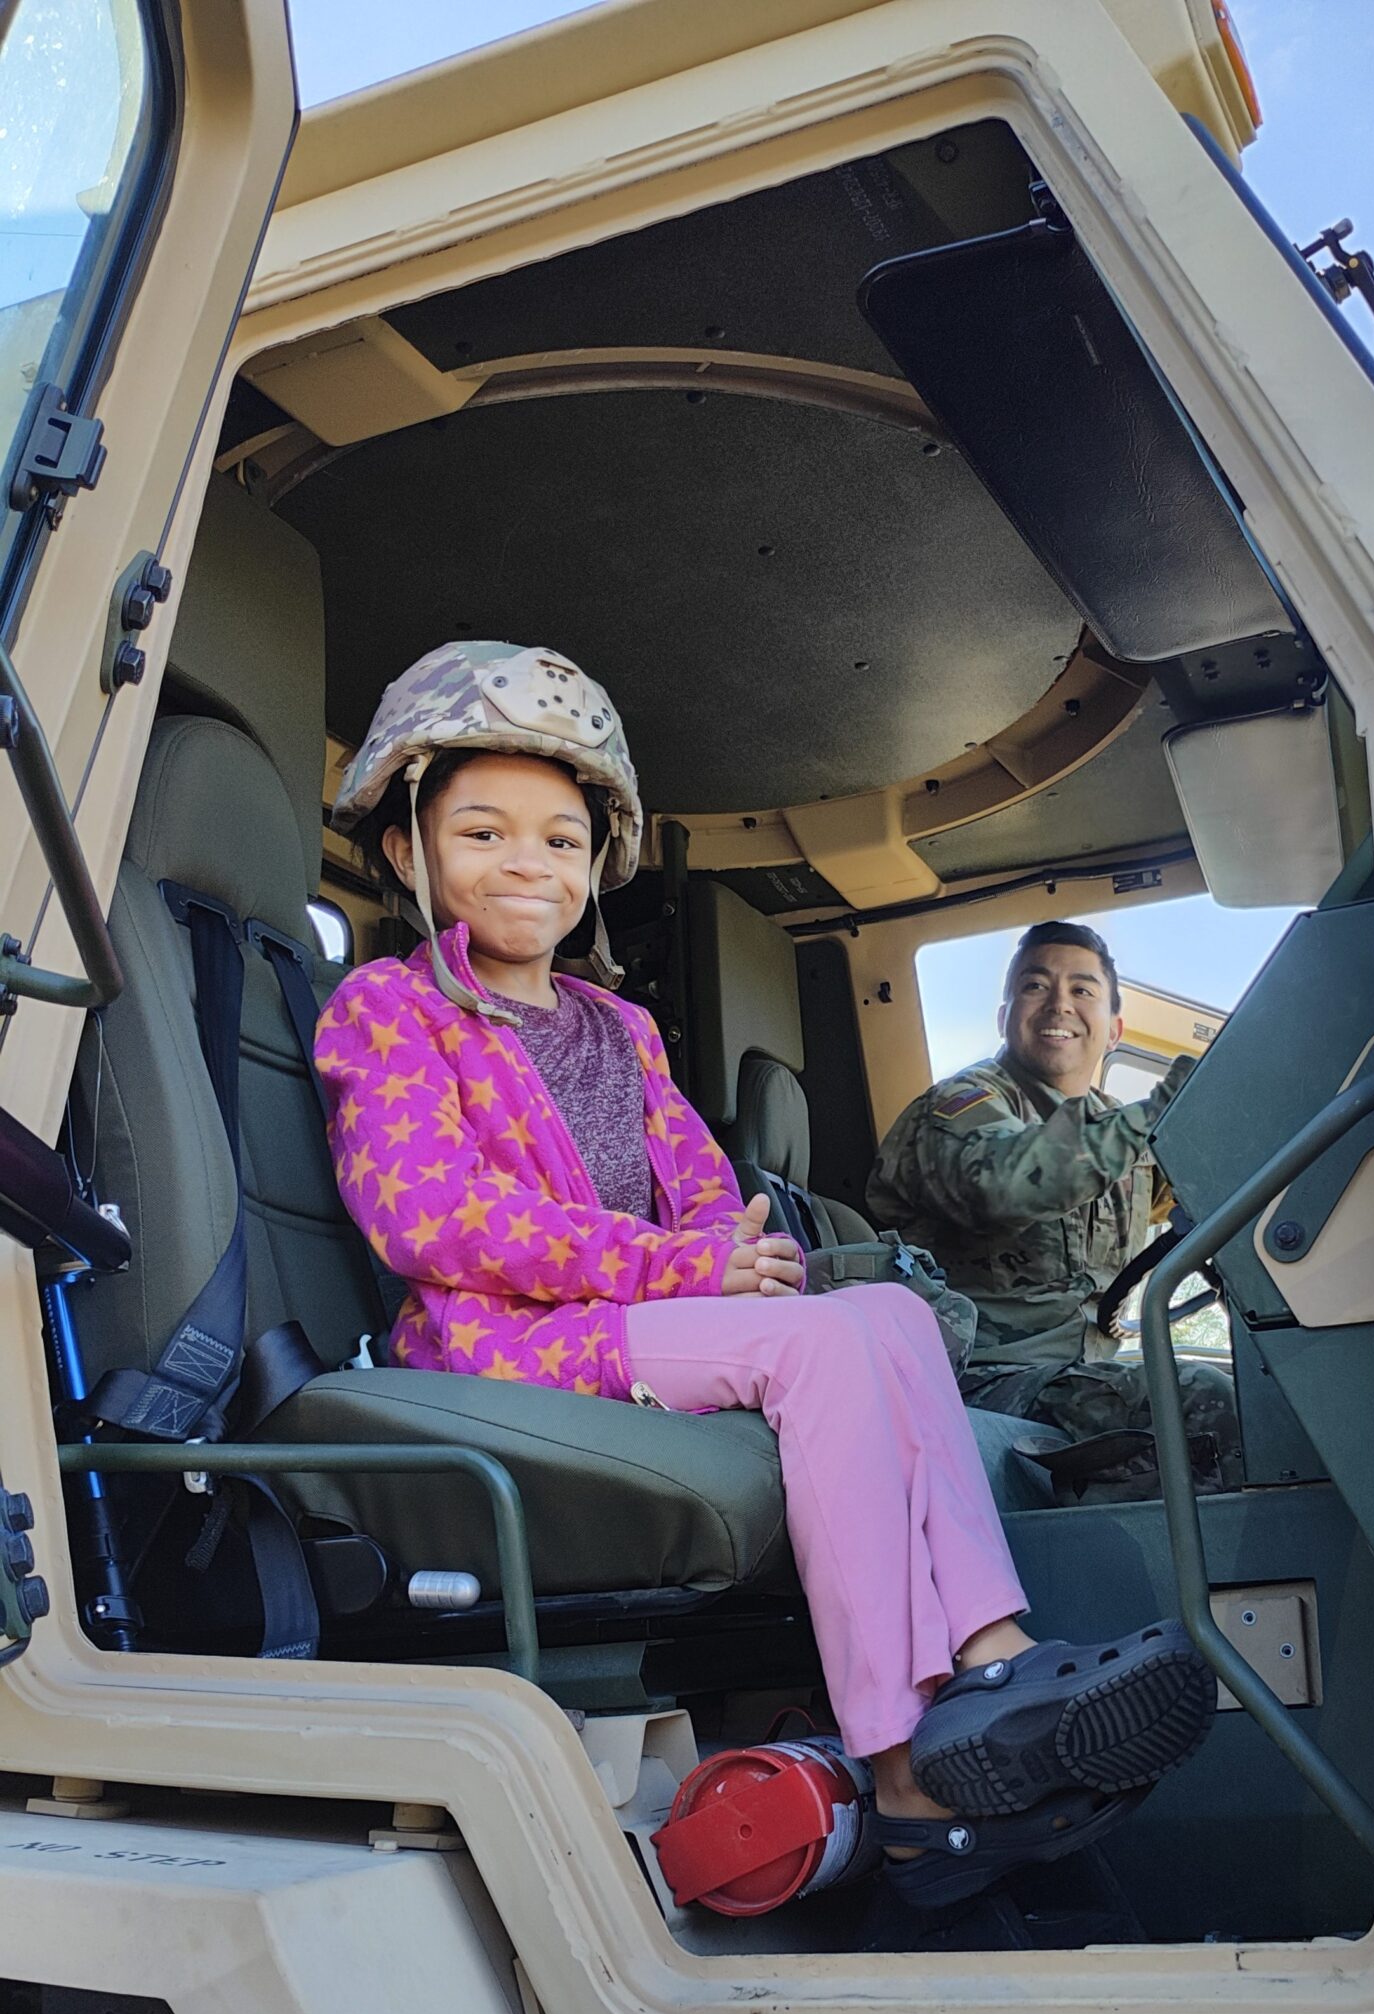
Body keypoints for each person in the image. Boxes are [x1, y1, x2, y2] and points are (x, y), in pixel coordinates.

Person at [314, 642, 1213, 1913]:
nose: (528, 864)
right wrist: (686, 1264)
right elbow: (432, 1220)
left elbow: (698, 1183)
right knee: (825, 1343)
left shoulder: (621, 1027)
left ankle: (994, 1654)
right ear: (407, 850)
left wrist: (728, 1256)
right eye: (483, 832)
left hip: (635, 1319)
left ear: (596, 864)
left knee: (887, 1310)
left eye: (562, 841)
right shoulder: (386, 1009)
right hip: (502, 1345)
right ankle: (904, 1771)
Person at [867, 921, 1241, 1491]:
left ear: (1114, 1030)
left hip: (1079, 1374)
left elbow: (1209, 1188)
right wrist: (1162, 1110)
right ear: (1005, 1018)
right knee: (1202, 1401)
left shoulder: (1122, 1131)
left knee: (1265, 1386)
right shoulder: (958, 1106)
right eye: (1035, 986)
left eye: (1082, 989)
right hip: (975, 1381)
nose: (1059, 1004)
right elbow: (1012, 1181)